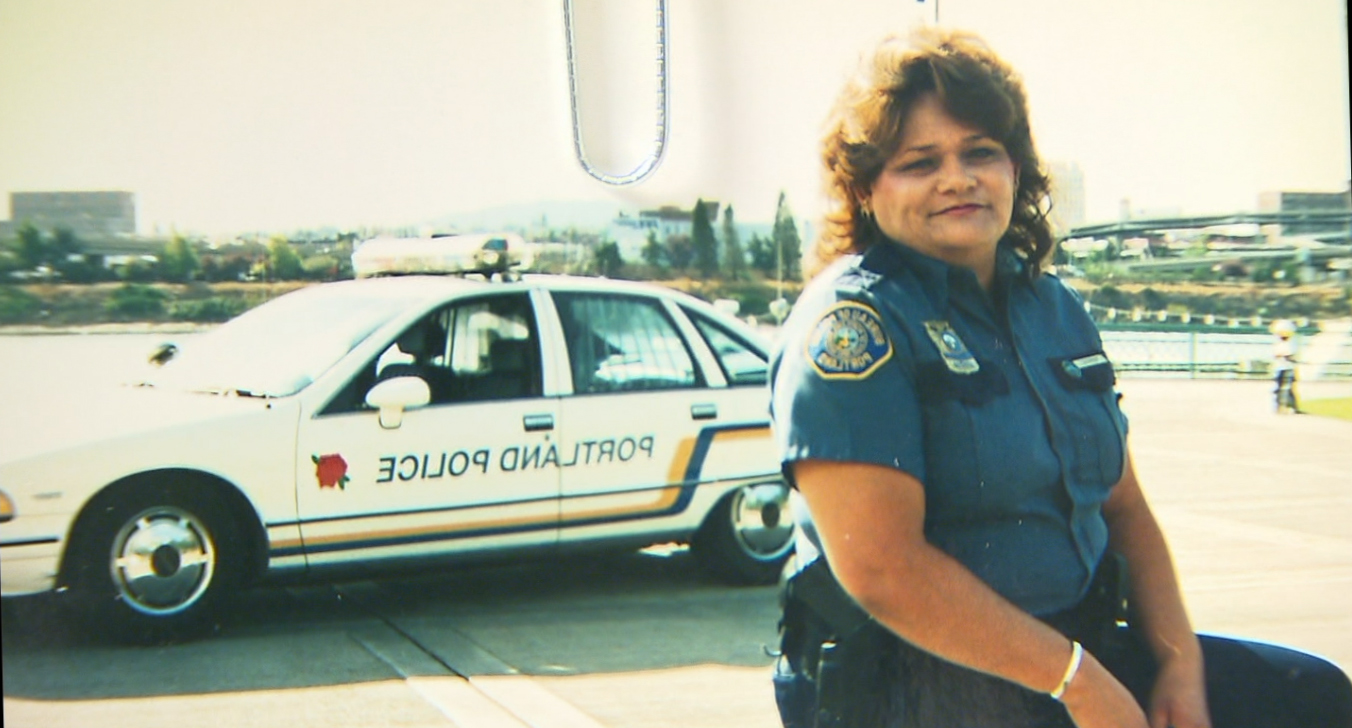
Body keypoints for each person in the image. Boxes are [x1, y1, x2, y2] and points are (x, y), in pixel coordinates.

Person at [768, 28, 1352, 728]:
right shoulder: (853, 324)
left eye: (981, 151)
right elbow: (884, 571)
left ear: (1015, 168)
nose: (959, 178)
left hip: (1071, 652)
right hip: (911, 684)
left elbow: (1124, 507)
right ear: (866, 189)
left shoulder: (1055, 310)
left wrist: (1177, 663)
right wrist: (1079, 685)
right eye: (920, 162)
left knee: (1309, 694)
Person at [1271, 319, 1299, 413]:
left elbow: (1291, 356)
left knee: (1289, 388)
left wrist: (1287, 357)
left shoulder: (1292, 344)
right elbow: (1276, 355)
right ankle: (1278, 406)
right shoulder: (1278, 344)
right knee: (1278, 388)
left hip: (1289, 368)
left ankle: (1292, 406)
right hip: (1280, 368)